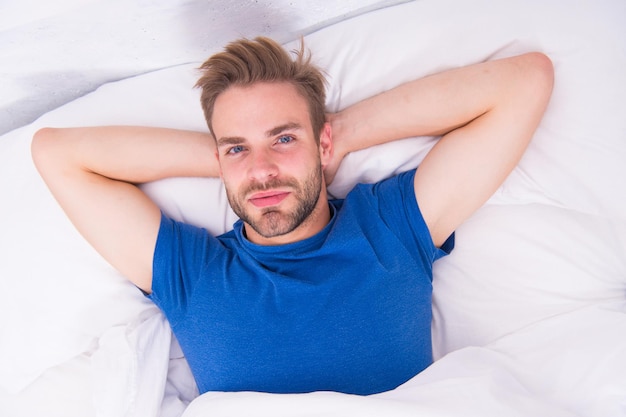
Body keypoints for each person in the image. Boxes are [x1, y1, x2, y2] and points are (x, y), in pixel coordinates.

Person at [31, 37, 553, 396]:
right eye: (236, 148)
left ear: (321, 141)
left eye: (284, 139)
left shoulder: (389, 227)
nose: (263, 171)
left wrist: (340, 136)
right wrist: (237, 160)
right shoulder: (191, 271)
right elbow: (56, 153)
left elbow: (525, 81)